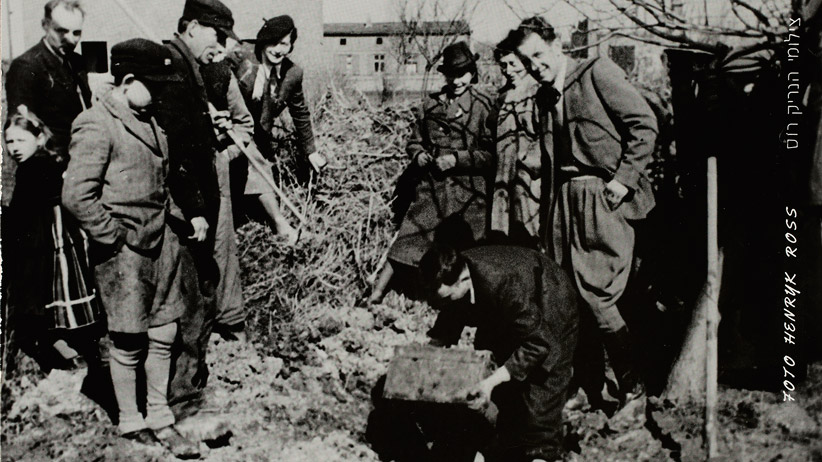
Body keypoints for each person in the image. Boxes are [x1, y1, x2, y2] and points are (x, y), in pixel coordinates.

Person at [61, 38, 200, 458]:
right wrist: (113, 237)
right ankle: (130, 420)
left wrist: (184, 216)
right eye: (153, 86)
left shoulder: (151, 119)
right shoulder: (96, 123)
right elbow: (76, 195)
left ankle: (158, 414)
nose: (160, 95)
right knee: (128, 339)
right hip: (123, 252)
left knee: (165, 330)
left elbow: (157, 183)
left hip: (161, 242)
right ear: (127, 80)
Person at [513, 17, 658, 412]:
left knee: (598, 296)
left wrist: (623, 180)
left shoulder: (596, 73)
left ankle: (633, 387)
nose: (535, 66)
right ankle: (586, 387)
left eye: (539, 56)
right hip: (562, 203)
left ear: (556, 44)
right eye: (527, 62)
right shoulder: (544, 97)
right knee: (568, 298)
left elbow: (644, 126)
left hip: (601, 198)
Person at [153, 0, 241, 437]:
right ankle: (184, 405)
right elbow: (177, 156)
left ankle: (190, 389)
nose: (222, 45)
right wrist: (196, 210)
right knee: (189, 302)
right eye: (217, 34)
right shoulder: (172, 70)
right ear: (191, 26)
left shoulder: (188, 68)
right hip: (189, 214)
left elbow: (192, 137)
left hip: (195, 210)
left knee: (201, 295)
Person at [2, 0, 96, 369]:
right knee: (47, 258)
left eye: (77, 32)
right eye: (63, 32)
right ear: (44, 25)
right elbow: (24, 131)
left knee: (75, 254)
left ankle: (77, 327)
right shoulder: (28, 67)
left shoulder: (74, 62)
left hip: (77, 172)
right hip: (44, 180)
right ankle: (47, 338)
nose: (71, 39)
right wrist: (63, 162)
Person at [419, 244, 578, 462]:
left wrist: (491, 382)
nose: (441, 306)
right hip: (513, 309)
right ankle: (501, 447)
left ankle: (542, 452)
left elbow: (538, 344)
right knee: (503, 390)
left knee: (542, 393)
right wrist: (428, 354)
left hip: (549, 301)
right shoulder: (454, 274)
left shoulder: (501, 283)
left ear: (464, 280)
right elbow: (451, 314)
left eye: (445, 299)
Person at [368, 41, 495, 303]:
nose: (457, 80)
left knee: (471, 249)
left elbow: (490, 155)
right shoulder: (429, 106)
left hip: (468, 192)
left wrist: (458, 160)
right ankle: (377, 294)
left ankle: (473, 303)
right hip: (433, 187)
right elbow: (414, 141)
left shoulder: (484, 106)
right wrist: (419, 155)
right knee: (409, 237)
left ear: (472, 73)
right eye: (451, 74)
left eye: (462, 74)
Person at [2, 106, 99, 373]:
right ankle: (77, 353)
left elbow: (23, 213)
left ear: (40, 138)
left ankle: (71, 356)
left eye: (21, 140)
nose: (14, 147)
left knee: (43, 302)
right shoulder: (49, 162)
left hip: (48, 241)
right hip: (59, 237)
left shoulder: (33, 168)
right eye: (9, 141)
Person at [235, 15, 325, 244]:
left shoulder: (292, 74)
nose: (279, 50)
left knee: (264, 175)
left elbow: (300, 114)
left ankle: (256, 223)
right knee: (257, 169)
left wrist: (311, 151)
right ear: (264, 41)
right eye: (275, 42)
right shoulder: (241, 56)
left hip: (260, 134)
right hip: (232, 126)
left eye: (286, 44)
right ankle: (281, 227)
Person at [489, 33, 544, 249]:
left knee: (530, 238)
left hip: (529, 183)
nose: (508, 70)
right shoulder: (505, 96)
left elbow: (546, 137)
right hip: (504, 181)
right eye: (503, 65)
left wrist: (527, 163)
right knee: (507, 242)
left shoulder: (537, 92)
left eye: (513, 63)